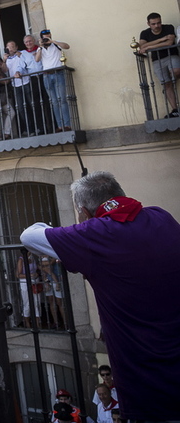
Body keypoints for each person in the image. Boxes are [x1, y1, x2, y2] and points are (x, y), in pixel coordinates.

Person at [21, 171, 180, 421]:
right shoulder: (162, 217)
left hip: (150, 391)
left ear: (84, 211)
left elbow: (29, 236)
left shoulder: (94, 235)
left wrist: (78, 228)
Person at [138, 12, 180, 118]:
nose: (157, 26)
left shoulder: (168, 27)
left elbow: (169, 43)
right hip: (157, 60)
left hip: (171, 55)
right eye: (154, 24)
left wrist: (149, 46)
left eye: (159, 23)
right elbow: (142, 45)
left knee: (176, 71)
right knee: (166, 84)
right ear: (148, 24)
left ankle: (169, 84)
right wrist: (162, 39)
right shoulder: (144, 33)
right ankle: (175, 110)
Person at [37, 29, 72, 131]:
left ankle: (67, 125)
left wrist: (53, 41)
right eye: (44, 37)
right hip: (46, 76)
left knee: (62, 100)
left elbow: (67, 46)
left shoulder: (56, 45)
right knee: (54, 102)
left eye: (48, 36)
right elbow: (37, 59)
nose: (46, 38)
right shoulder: (41, 49)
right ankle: (60, 126)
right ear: (41, 38)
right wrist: (40, 46)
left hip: (58, 73)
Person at [5, 40, 39, 136]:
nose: (10, 49)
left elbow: (28, 62)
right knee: (21, 108)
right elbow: (5, 70)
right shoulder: (7, 58)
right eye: (8, 47)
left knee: (32, 105)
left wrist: (20, 55)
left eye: (12, 47)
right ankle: (29, 129)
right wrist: (4, 60)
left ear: (16, 47)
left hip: (26, 82)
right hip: (15, 85)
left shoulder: (22, 54)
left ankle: (38, 127)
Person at [16, 251, 41, 329]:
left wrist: (37, 273)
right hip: (25, 283)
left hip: (35, 282)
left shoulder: (32, 258)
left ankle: (37, 323)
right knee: (27, 303)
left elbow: (36, 268)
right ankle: (27, 323)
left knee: (37, 302)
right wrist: (30, 275)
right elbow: (18, 275)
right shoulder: (21, 260)